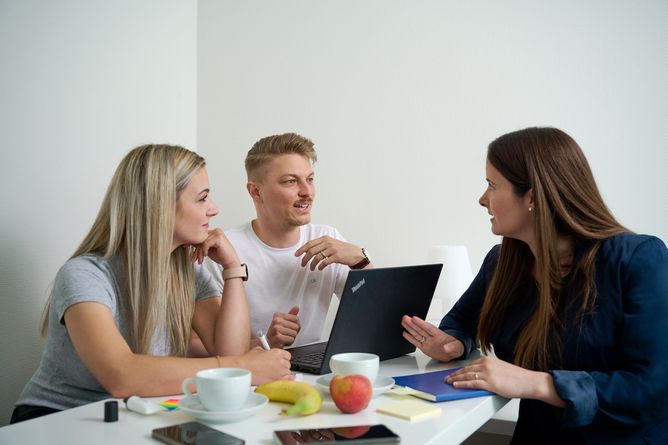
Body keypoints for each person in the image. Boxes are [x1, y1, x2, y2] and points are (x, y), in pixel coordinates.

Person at [401, 127, 668, 443]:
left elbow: (652, 386)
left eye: (492, 185)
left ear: (532, 196)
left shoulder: (637, 258)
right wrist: (454, 344)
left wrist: (537, 383)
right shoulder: (501, 262)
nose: (482, 199)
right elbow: (460, 321)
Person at [11, 144, 292, 424]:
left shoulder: (188, 272)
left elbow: (230, 352)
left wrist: (232, 268)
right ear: (160, 206)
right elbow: (121, 376)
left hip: (133, 415)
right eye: (202, 198)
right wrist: (245, 367)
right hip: (58, 418)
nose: (214, 209)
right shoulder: (85, 275)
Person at [205, 133, 372, 349]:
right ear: (256, 192)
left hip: (312, 368)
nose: (307, 191)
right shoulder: (222, 251)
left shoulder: (327, 240)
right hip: (250, 369)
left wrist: (360, 259)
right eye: (291, 181)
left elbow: (373, 316)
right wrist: (264, 343)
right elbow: (199, 346)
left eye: (310, 179)